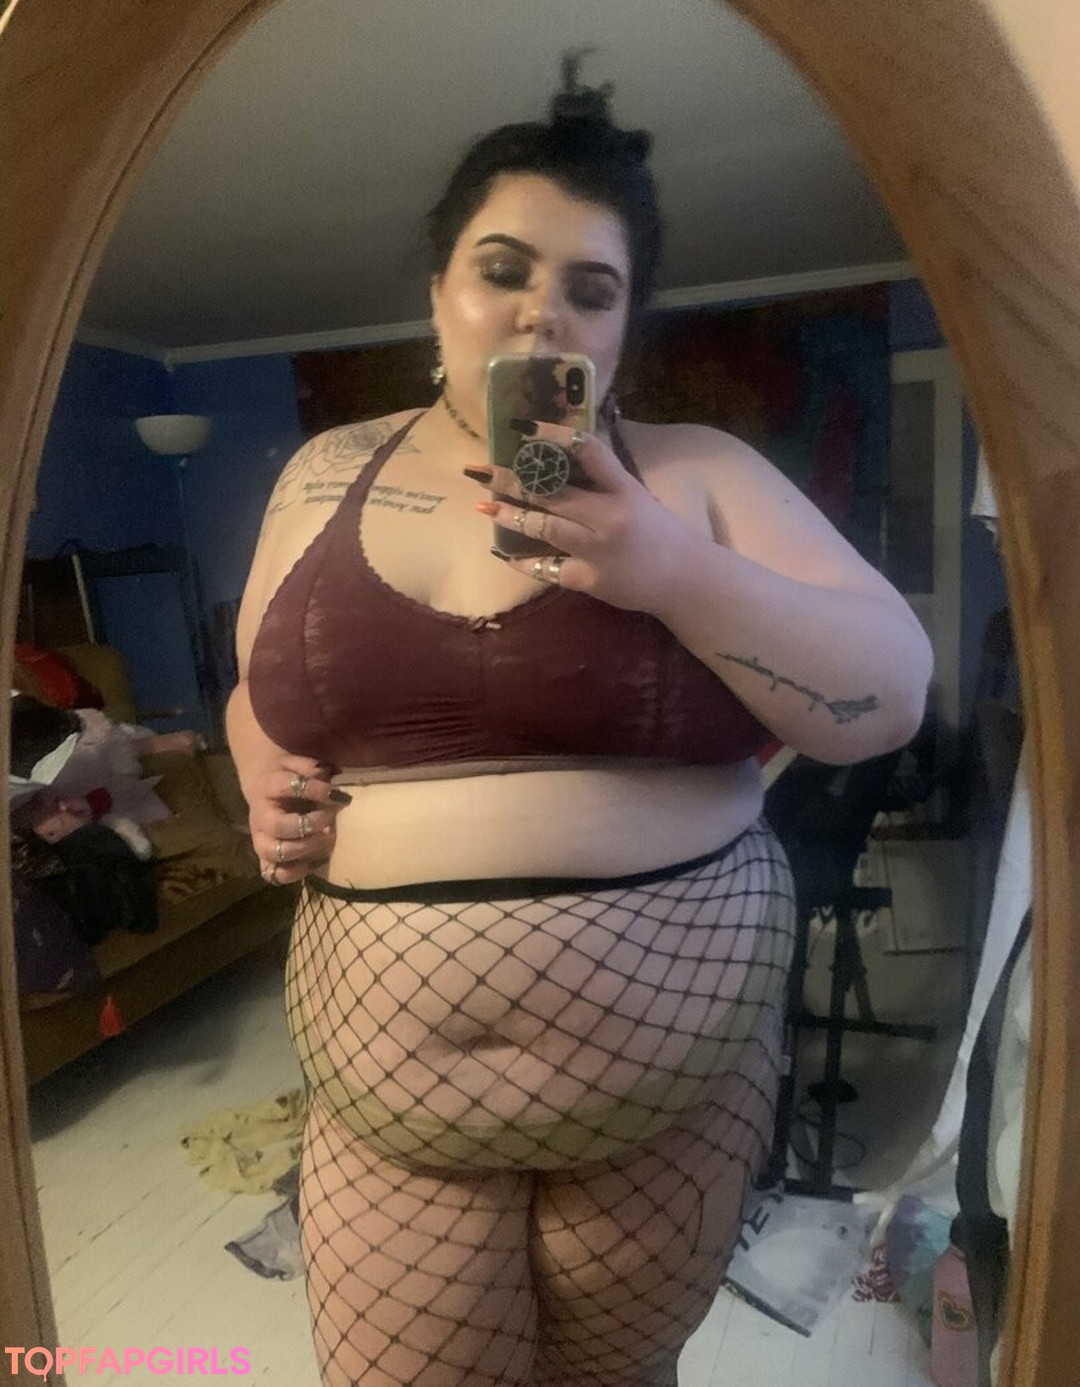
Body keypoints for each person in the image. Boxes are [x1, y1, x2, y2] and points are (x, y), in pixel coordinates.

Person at [227, 61, 932, 1387]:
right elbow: (259, 682)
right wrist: (262, 766)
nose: (542, 308)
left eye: (591, 289)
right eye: (502, 268)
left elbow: (887, 694)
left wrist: (665, 567)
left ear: (621, 328)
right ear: (437, 292)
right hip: (386, 1076)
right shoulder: (322, 473)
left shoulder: (701, 471)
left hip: (676, 1069)